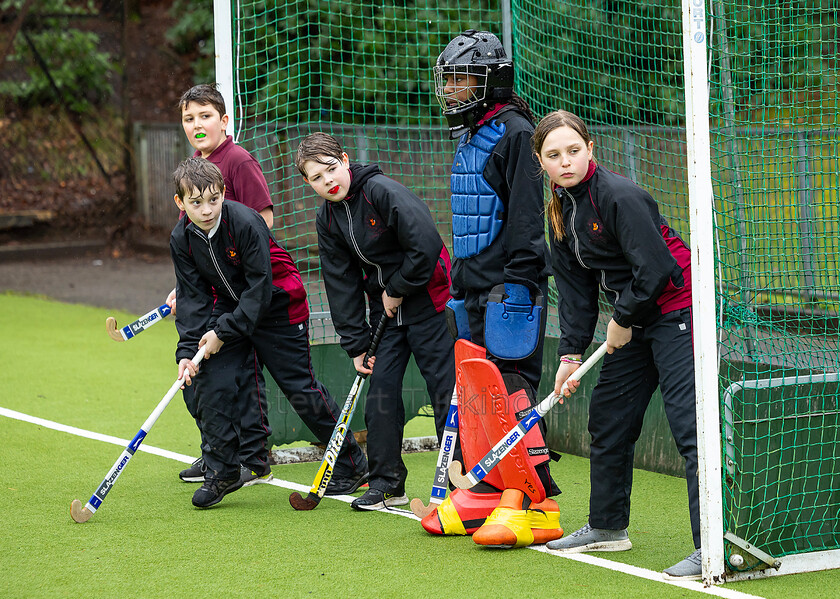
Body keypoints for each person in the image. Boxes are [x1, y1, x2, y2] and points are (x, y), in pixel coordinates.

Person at [533, 109, 700, 579]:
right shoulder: (561, 209)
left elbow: (658, 269)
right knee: (608, 418)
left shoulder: (619, 196)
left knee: (689, 428)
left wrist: (624, 318)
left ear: (591, 150)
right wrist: (570, 354)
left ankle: (712, 544)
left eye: (573, 150)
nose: (565, 161)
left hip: (676, 309)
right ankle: (607, 528)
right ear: (542, 163)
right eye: (553, 155)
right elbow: (577, 293)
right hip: (636, 314)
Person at [170, 157, 368, 508]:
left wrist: (222, 331)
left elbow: (260, 290)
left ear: (223, 193)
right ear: (180, 203)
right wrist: (187, 350)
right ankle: (224, 471)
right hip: (233, 311)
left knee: (299, 387)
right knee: (210, 382)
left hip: (279, 307)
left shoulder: (245, 223)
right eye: (196, 203)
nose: (206, 210)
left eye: (213, 200)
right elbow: (193, 297)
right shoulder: (182, 238)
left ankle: (352, 462)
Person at [296, 132, 456, 511]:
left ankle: (460, 482)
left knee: (444, 391)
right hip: (383, 311)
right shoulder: (328, 217)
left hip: (428, 301)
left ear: (346, 160)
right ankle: (387, 483)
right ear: (308, 183)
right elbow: (340, 282)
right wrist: (356, 344)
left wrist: (398, 288)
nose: (328, 181)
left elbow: (426, 242)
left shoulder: (381, 191)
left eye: (331, 169)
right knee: (381, 394)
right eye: (317, 178)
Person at [168, 83, 274, 487]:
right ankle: (217, 453)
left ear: (224, 120)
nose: (197, 125)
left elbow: (260, 224)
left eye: (205, 116)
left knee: (241, 378)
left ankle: (248, 457)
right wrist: (187, 283)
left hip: (250, 292)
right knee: (202, 377)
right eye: (189, 118)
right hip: (217, 292)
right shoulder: (195, 165)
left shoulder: (238, 161)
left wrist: (228, 278)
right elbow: (193, 239)